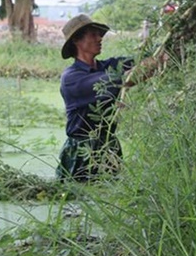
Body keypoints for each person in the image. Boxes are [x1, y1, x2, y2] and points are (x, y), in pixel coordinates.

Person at [56, 13, 164, 182]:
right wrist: (157, 62)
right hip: (83, 154)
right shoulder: (72, 78)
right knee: (79, 201)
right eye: (93, 34)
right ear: (77, 40)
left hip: (109, 147)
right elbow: (126, 78)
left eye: (99, 34)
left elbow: (140, 59)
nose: (100, 38)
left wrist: (166, 48)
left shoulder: (107, 66)